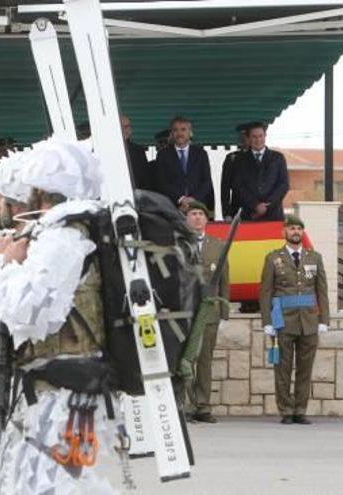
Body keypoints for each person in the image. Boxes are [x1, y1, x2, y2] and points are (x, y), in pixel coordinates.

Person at [0, 138, 117, 493]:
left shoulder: (64, 239)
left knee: (55, 487)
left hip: (64, 396)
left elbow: (28, 314)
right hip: (50, 393)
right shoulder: (58, 234)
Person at [260, 215, 328, 425]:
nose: (296, 232)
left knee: (305, 368)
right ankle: (286, 410)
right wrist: (267, 322)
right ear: (284, 232)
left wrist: (323, 319)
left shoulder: (314, 257)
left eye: (299, 228)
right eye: (291, 228)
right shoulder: (273, 258)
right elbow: (266, 291)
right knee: (283, 368)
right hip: (283, 321)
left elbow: (321, 290)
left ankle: (300, 409)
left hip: (308, 320)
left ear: (302, 232)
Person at [184, 201, 229, 424]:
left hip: (209, 312)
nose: (197, 218)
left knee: (204, 361)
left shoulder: (218, 245)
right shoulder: (179, 245)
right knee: (185, 360)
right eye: (193, 214)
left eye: (201, 214)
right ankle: (185, 404)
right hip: (186, 312)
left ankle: (202, 406)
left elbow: (224, 281)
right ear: (186, 218)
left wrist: (224, 313)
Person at [153, 116, 214, 213]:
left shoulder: (201, 154)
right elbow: (161, 182)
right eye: (175, 130)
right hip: (172, 207)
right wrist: (181, 199)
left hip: (197, 207)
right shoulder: (163, 155)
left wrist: (193, 199)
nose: (179, 133)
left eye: (183, 130)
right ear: (171, 133)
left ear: (190, 132)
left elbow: (206, 182)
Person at [232, 121, 289, 222]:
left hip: (274, 215)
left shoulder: (278, 158)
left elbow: (283, 184)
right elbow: (238, 186)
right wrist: (255, 205)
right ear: (249, 138)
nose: (258, 140)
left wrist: (267, 205)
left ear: (265, 136)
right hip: (249, 215)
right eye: (254, 137)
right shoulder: (239, 160)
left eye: (260, 136)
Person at [219, 123, 250, 220]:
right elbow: (225, 188)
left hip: (259, 210)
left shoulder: (263, 158)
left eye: (246, 136)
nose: (243, 139)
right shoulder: (232, 158)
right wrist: (226, 213)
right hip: (237, 209)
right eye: (241, 136)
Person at [121, 115, 151, 191]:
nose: (124, 130)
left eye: (127, 126)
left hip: (136, 197)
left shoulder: (139, 151)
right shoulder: (106, 150)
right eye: (121, 126)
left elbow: (145, 179)